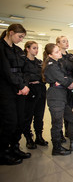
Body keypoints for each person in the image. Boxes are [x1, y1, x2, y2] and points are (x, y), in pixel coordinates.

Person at [0, 24, 31, 165]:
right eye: (19, 36)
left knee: (20, 120)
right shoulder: (1, 48)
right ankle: (3, 152)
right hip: (6, 89)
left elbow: (24, 70)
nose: (21, 40)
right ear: (10, 32)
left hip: (20, 89)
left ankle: (15, 147)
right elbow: (6, 71)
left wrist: (24, 85)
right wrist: (19, 85)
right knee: (9, 122)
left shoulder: (18, 50)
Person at [42, 43, 73, 155]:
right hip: (55, 96)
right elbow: (63, 79)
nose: (59, 53)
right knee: (57, 123)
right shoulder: (51, 65)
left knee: (72, 119)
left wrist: (64, 80)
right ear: (50, 55)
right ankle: (56, 148)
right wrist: (65, 81)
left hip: (62, 95)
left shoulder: (58, 63)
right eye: (56, 52)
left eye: (59, 51)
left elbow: (65, 77)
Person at [23, 41, 48, 149]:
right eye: (34, 48)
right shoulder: (23, 61)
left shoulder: (39, 62)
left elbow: (43, 76)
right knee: (28, 116)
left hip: (41, 90)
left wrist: (36, 79)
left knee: (39, 115)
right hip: (30, 91)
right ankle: (29, 138)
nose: (36, 50)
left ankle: (39, 136)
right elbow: (25, 77)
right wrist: (33, 79)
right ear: (27, 49)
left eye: (37, 48)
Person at [56, 36, 73, 142]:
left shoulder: (70, 56)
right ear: (58, 44)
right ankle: (59, 134)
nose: (66, 43)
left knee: (69, 109)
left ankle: (69, 131)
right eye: (63, 41)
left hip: (71, 85)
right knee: (60, 111)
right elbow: (57, 73)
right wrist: (66, 83)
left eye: (67, 41)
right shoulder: (56, 56)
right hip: (61, 86)